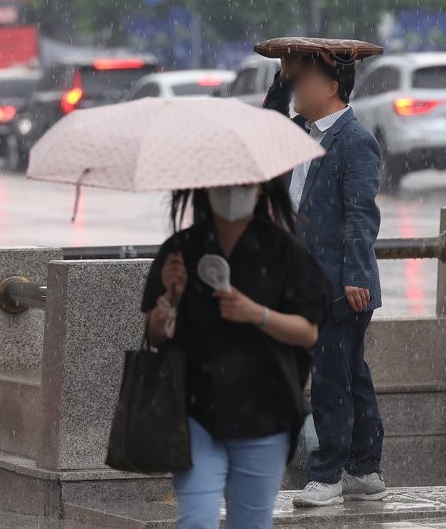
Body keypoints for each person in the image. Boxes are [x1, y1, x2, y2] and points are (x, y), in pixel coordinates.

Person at [142, 177, 332, 528]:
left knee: (251, 522)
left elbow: (307, 332)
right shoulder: (183, 249)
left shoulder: (283, 251)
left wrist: (256, 314)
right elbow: (155, 334)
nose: (232, 192)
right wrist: (171, 295)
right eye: (224, 183)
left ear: (260, 189)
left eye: (243, 184)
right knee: (196, 521)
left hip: (266, 415)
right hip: (195, 412)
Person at [263, 51, 387, 507]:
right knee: (351, 375)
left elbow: (360, 214)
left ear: (331, 85)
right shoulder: (298, 134)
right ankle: (365, 469)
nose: (296, 88)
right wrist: (282, 78)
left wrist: (355, 275)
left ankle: (328, 473)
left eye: (303, 79)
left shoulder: (354, 141)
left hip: (339, 284)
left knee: (333, 379)